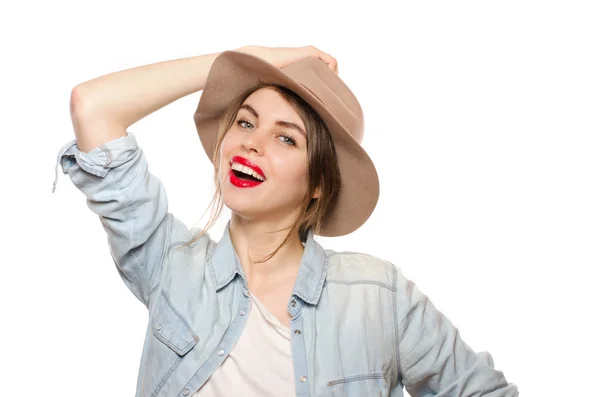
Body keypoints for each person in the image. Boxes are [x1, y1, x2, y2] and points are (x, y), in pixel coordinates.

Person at [53, 45, 518, 397]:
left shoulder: (378, 296)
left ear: (318, 181)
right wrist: (258, 58)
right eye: (247, 122)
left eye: (287, 139)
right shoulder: (170, 264)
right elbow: (92, 105)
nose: (253, 144)